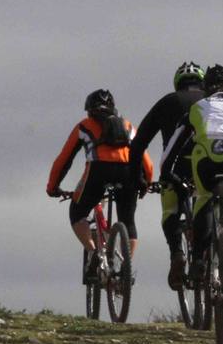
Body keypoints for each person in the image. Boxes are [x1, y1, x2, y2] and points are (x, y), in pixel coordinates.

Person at [159, 64, 223, 322]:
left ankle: (199, 263)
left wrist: (166, 173)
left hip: (207, 165)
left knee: (203, 198)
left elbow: (173, 146)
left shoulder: (198, 107)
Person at [47, 89, 152, 281]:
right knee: (128, 221)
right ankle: (126, 269)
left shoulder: (84, 126)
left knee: (77, 212)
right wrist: (145, 183)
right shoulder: (128, 126)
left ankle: (93, 250)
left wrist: (52, 187)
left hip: (98, 171)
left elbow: (64, 159)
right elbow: (146, 160)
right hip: (128, 172)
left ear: (89, 110)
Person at [128, 62, 206, 289]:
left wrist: (138, 177)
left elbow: (139, 142)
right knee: (209, 205)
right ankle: (211, 250)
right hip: (208, 163)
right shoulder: (211, 100)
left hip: (175, 167)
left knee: (170, 212)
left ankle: (177, 253)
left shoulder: (167, 102)